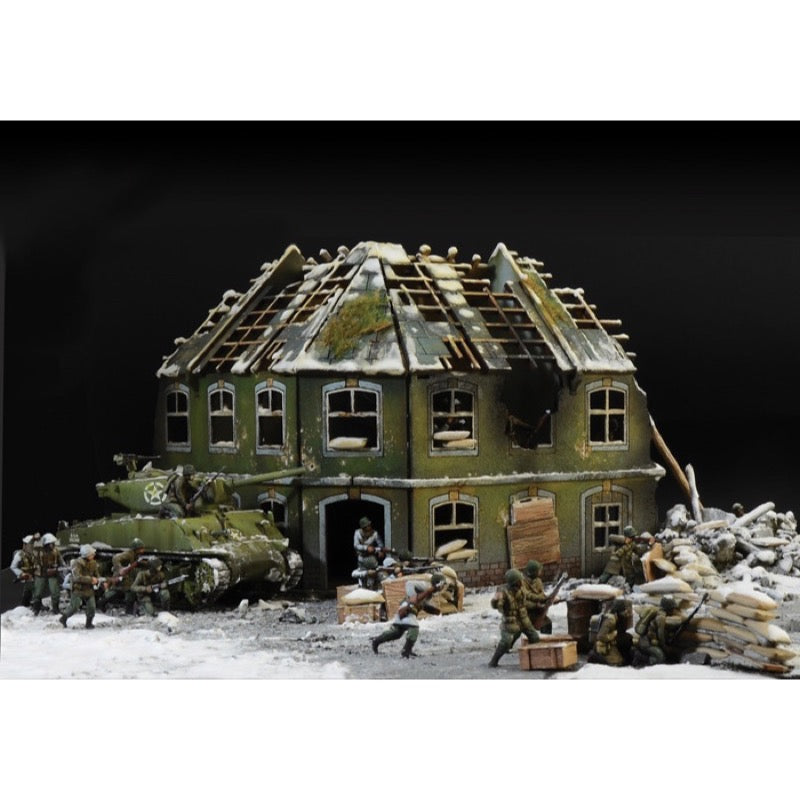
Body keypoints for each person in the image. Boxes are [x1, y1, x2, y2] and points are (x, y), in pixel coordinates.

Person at [371, 573, 445, 658]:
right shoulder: (425, 586)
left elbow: (422, 603)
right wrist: (413, 597)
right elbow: (409, 584)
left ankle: (376, 641)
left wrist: (434, 610)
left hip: (409, 608)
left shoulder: (429, 593)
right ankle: (406, 651)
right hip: (407, 608)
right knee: (414, 628)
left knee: (397, 632)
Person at [488, 569, 540, 667]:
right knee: (506, 641)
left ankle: (533, 659)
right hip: (510, 623)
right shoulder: (504, 592)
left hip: (524, 621)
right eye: (519, 580)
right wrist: (495, 600)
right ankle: (494, 661)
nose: (522, 581)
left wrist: (540, 603)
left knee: (535, 637)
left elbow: (528, 600)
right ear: (514, 582)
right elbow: (497, 606)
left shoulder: (521, 590)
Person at [98, 537, 146, 614]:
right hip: (122, 577)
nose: (143, 550)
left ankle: (102, 602)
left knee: (118, 591)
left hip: (125, 577)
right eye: (141, 548)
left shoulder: (134, 554)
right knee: (128, 592)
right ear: (136, 548)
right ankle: (128, 612)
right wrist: (120, 568)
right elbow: (115, 558)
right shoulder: (128, 554)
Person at [60, 544, 103, 629]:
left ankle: (89, 623)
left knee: (92, 607)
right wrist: (91, 579)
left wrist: (98, 580)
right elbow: (77, 577)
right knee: (74, 607)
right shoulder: (77, 563)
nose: (93, 555)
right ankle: (63, 618)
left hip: (89, 589)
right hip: (78, 589)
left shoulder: (93, 563)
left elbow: (96, 574)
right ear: (86, 554)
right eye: (91, 554)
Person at [633, 596, 679, 666]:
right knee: (660, 658)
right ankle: (639, 656)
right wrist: (664, 647)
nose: (674, 611)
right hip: (647, 643)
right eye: (673, 608)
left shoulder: (658, 613)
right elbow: (660, 635)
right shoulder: (661, 617)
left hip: (647, 642)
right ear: (669, 608)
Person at [587, 597, 631, 666]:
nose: (624, 614)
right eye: (623, 611)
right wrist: (614, 634)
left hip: (607, 643)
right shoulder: (611, 620)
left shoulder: (613, 616)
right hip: (604, 645)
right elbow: (600, 636)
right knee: (618, 662)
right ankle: (595, 656)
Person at [31, 532, 66, 615]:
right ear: (46, 544)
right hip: (41, 573)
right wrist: (33, 538)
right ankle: (36, 609)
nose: (53, 545)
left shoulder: (55, 550)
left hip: (52, 573)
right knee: (37, 592)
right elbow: (30, 548)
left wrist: (63, 565)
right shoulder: (38, 550)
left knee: (55, 592)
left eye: (53, 543)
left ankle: (55, 609)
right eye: (51, 543)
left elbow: (60, 559)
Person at [353, 516, 385, 590]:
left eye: (369, 525)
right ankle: (363, 587)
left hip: (371, 557)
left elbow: (380, 544)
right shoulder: (357, 533)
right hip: (361, 557)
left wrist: (380, 551)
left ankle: (372, 587)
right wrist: (366, 548)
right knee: (362, 575)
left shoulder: (375, 533)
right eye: (367, 526)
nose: (369, 527)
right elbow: (356, 545)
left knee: (373, 574)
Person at [521, 559, 552, 634]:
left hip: (536, 611)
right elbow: (523, 601)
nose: (540, 572)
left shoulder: (538, 581)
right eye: (538, 570)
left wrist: (547, 600)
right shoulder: (521, 583)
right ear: (534, 572)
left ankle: (545, 640)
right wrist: (535, 604)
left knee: (547, 623)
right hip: (524, 613)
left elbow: (541, 595)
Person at [10, 534, 37, 607]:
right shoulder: (19, 554)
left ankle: (25, 603)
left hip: (34, 573)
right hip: (26, 575)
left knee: (29, 590)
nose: (33, 545)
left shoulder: (35, 553)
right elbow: (13, 567)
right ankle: (37, 604)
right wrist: (21, 574)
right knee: (34, 588)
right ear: (25, 545)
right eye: (31, 544)